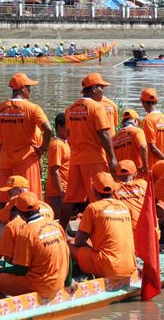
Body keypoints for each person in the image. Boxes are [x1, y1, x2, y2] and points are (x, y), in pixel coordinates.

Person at [0, 73, 52, 208]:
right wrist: (42, 149)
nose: (30, 90)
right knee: (29, 200)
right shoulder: (33, 108)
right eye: (28, 87)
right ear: (22, 88)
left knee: (1, 200)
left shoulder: (0, 108)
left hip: (5, 160)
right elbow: (48, 129)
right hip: (27, 161)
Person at [59, 73, 118, 231]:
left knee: (70, 198)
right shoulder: (96, 107)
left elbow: (69, 135)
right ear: (94, 89)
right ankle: (103, 232)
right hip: (93, 158)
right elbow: (104, 134)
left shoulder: (70, 109)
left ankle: (61, 231)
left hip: (76, 158)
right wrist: (112, 158)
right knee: (100, 195)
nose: (103, 92)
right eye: (102, 88)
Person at [0, 192, 69, 300]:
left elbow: (21, 270)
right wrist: (68, 281)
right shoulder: (55, 225)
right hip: (60, 280)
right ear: (39, 208)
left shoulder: (26, 233)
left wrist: (2, 271)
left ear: (19, 213)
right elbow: (68, 256)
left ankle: (8, 310)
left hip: (40, 284)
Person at [69, 172, 136, 279]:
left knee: (68, 246)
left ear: (94, 191)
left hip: (108, 267)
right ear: (114, 191)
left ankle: (76, 275)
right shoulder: (124, 206)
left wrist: (90, 250)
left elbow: (79, 241)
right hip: (130, 266)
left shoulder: (93, 208)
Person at [45, 113, 69, 218]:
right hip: (57, 192)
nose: (71, 129)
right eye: (68, 126)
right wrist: (61, 192)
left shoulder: (65, 143)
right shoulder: (57, 145)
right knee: (59, 220)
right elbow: (54, 171)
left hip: (64, 189)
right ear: (59, 127)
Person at [112, 159, 147, 231]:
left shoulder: (112, 187)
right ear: (135, 174)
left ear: (116, 174)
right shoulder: (143, 183)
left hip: (127, 233)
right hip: (149, 231)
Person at [112, 109, 148, 177]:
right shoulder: (137, 131)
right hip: (135, 173)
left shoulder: (114, 137)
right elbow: (143, 147)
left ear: (123, 122)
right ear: (135, 120)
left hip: (120, 175)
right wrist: (145, 166)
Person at [140, 88, 164, 165]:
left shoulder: (148, 119)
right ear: (156, 102)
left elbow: (152, 147)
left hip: (154, 165)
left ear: (143, 102)